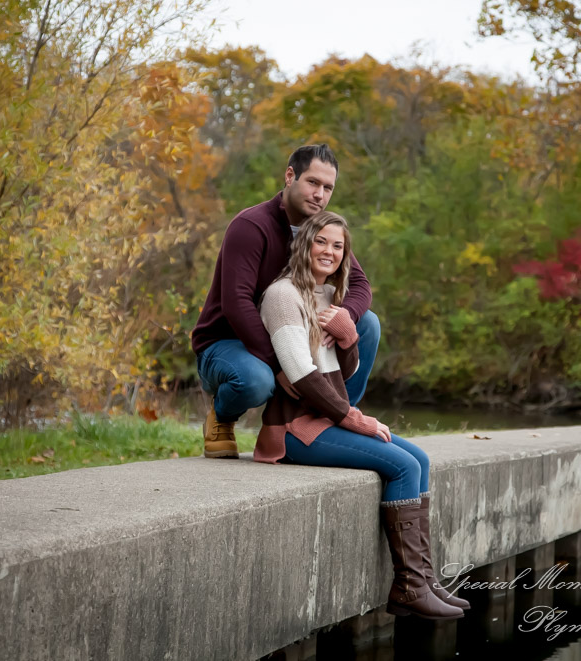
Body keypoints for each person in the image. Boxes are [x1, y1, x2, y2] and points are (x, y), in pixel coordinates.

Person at [255, 210, 470, 620]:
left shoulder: (327, 296)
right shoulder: (283, 296)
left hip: (323, 421)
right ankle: (408, 587)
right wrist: (354, 418)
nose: (329, 251)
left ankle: (424, 578)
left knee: (420, 459)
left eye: (338, 246)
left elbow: (345, 372)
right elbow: (300, 374)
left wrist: (348, 334)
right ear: (304, 244)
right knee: (404, 466)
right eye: (321, 241)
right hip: (294, 430)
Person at [191, 144, 380, 459]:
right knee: (255, 380)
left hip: (293, 335)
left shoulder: (320, 230)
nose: (320, 194)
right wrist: (279, 364)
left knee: (367, 323)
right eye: (313, 182)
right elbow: (236, 302)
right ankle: (222, 416)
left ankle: (338, 413)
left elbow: (360, 284)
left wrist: (342, 317)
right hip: (229, 343)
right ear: (290, 176)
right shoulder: (251, 226)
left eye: (328, 188)